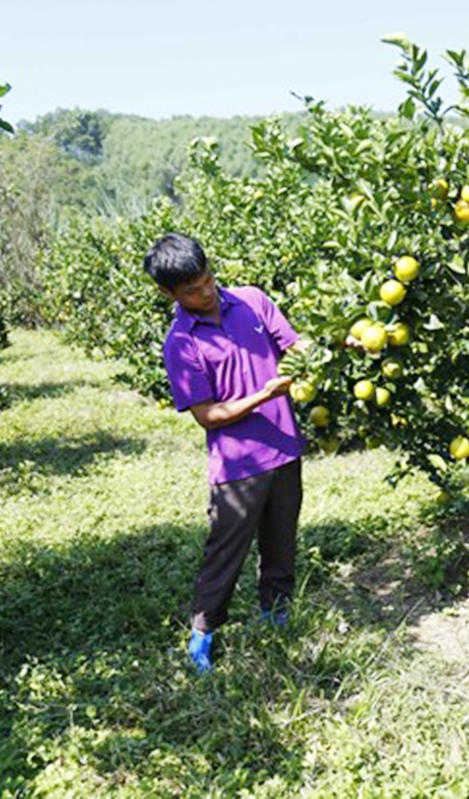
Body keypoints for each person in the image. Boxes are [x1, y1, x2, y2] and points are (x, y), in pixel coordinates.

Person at [142, 232, 306, 674]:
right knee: (225, 552)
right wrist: (263, 395)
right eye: (192, 290)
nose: (205, 291)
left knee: (281, 542)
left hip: (285, 449)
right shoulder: (182, 342)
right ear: (167, 293)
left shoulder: (252, 300)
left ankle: (277, 616)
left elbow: (295, 346)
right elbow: (208, 414)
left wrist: (334, 347)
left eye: (206, 278)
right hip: (238, 466)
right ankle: (203, 634)